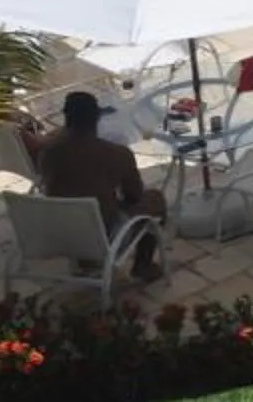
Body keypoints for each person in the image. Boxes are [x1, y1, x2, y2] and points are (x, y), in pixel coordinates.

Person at [36, 90, 164, 279]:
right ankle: (142, 266)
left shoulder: (48, 154)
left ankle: (83, 261)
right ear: (97, 117)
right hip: (103, 237)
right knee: (154, 199)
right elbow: (134, 195)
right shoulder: (117, 154)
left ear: (66, 117)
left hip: (62, 234)